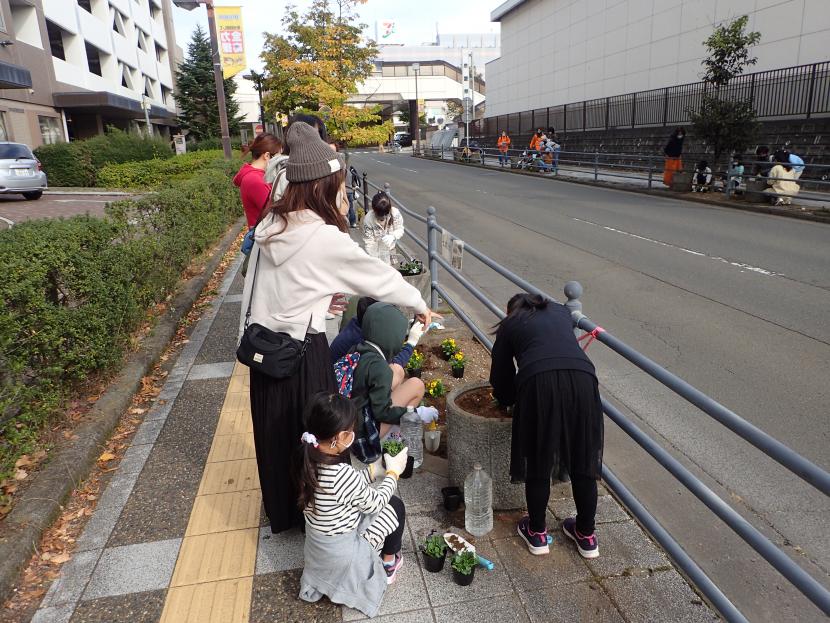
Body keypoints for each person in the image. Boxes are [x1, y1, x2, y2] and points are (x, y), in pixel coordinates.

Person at [240, 121, 439, 533]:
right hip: (300, 353)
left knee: (274, 434)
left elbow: (278, 285)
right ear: (322, 185)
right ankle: (318, 514)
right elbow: (377, 276)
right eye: (339, 184)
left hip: (264, 352)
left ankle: (283, 510)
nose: (342, 192)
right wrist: (420, 303)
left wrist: (318, 298)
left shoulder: (273, 225)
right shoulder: (322, 237)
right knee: (314, 432)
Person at [489, 294, 603, 559]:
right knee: (583, 457)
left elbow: (501, 373)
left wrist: (508, 400)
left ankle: (537, 532)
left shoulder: (510, 324)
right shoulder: (562, 312)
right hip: (584, 379)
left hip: (539, 382)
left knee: (539, 456)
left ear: (511, 311)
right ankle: (586, 535)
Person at [297, 393, 409, 617]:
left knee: (378, 505)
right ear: (340, 437)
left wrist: (371, 471)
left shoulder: (308, 456)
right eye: (351, 430)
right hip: (343, 555)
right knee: (395, 506)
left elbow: (343, 486)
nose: (353, 434)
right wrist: (393, 473)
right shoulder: (341, 474)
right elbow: (376, 503)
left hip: (319, 550)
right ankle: (388, 564)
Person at [349, 303, 437, 463]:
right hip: (363, 437)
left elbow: (393, 369)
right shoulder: (379, 368)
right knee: (416, 384)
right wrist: (417, 413)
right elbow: (382, 413)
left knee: (397, 372)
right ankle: (391, 440)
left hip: (350, 421)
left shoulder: (359, 349)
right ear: (390, 335)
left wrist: (411, 341)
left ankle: (391, 433)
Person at [329, 297, 423, 384]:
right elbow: (386, 367)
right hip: (350, 393)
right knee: (398, 372)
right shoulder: (360, 340)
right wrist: (411, 343)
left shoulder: (358, 323)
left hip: (342, 380)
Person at [234, 133, 283, 228]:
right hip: (264, 234)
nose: (279, 161)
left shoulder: (257, 175)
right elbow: (274, 213)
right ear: (267, 155)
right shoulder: (255, 180)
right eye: (278, 157)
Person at [362, 191, 404, 265]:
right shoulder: (368, 219)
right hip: (375, 251)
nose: (384, 217)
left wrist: (393, 236)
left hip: (391, 250)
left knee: (392, 271)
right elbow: (369, 242)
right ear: (374, 210)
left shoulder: (395, 213)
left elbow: (400, 229)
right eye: (380, 215)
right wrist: (375, 259)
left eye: (386, 214)